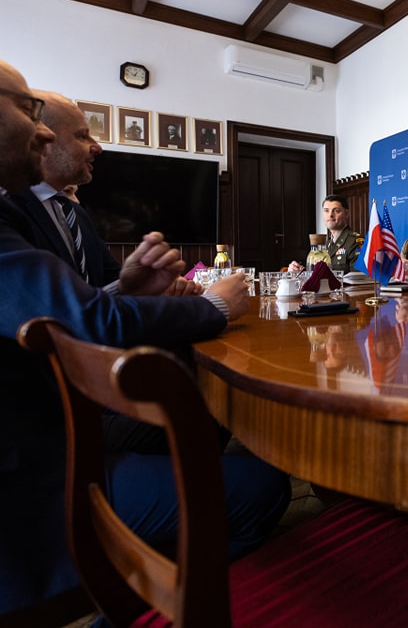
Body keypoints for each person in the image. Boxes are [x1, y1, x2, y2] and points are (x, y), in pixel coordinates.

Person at [0, 59, 291, 615]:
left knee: (201, 408)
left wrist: (127, 287)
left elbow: (68, 309)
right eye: (26, 110)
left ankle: (172, 537)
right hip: (31, 478)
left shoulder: (70, 213)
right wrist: (214, 307)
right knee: (265, 487)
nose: (39, 130)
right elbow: (85, 322)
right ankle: (144, 598)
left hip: (64, 419)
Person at [12, 91, 124, 288]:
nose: (97, 147)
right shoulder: (9, 209)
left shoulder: (75, 213)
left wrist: (143, 283)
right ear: (42, 139)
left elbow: (108, 281)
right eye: (82, 136)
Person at [288, 194, 364, 274]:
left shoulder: (356, 241)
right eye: (326, 210)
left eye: (336, 211)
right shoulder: (327, 243)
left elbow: (358, 279)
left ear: (347, 214)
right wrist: (300, 271)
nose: (330, 215)